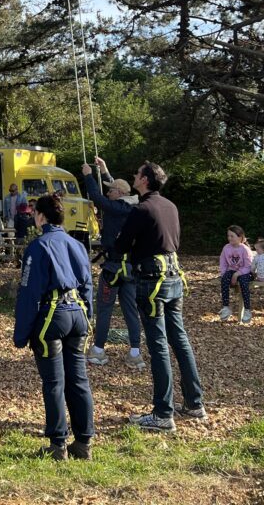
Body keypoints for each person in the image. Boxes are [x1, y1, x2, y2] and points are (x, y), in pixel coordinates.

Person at [113, 162, 205, 431]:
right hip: (174, 274)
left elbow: (120, 246)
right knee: (179, 338)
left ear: (144, 180)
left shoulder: (141, 210)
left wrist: (122, 241)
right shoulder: (170, 206)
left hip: (151, 279)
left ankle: (163, 414)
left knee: (158, 344)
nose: (133, 176)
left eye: (136, 173)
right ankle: (194, 403)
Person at [14, 193, 95, 461]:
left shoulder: (39, 247)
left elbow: (29, 292)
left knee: (54, 382)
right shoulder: (77, 244)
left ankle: (58, 443)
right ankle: (84, 442)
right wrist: (89, 315)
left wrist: (21, 333)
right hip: (78, 315)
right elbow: (87, 285)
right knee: (79, 380)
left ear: (41, 216)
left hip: (53, 315)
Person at [82, 157, 145, 371]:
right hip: (130, 268)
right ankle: (135, 352)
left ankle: (99, 350)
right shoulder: (132, 206)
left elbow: (98, 198)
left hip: (113, 268)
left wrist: (88, 176)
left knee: (105, 307)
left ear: (118, 193)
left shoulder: (116, 208)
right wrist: (105, 171)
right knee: (130, 310)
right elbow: (112, 191)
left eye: (111, 190)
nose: (108, 192)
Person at [219, 225, 254, 323]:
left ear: (240, 237)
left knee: (243, 282)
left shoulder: (245, 249)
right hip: (232, 270)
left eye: (232, 236)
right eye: (228, 236)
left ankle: (247, 310)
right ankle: (226, 307)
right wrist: (224, 273)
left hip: (245, 272)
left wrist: (236, 275)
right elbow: (223, 262)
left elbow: (248, 266)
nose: (229, 238)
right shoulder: (226, 248)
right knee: (224, 279)